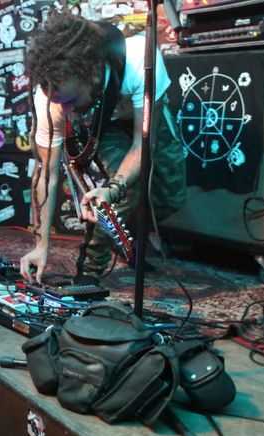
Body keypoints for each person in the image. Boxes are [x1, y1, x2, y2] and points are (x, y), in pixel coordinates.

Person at [19, 10, 186, 284]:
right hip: (101, 124)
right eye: (58, 102)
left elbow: (142, 144)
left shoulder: (141, 59)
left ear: (92, 74)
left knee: (170, 197)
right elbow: (46, 175)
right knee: (123, 190)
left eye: (71, 101)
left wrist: (116, 193)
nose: (64, 111)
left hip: (142, 120)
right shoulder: (50, 99)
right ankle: (89, 271)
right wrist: (41, 244)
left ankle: (126, 234)